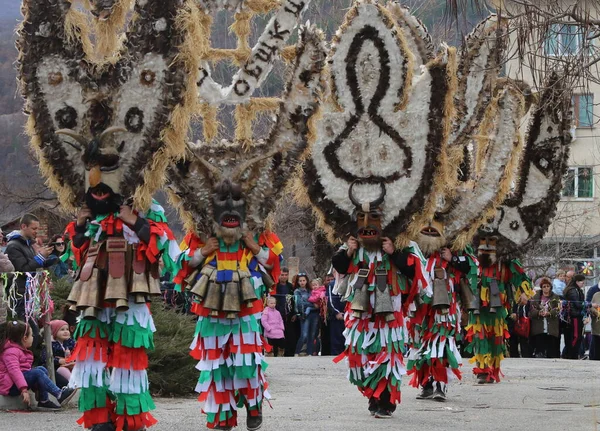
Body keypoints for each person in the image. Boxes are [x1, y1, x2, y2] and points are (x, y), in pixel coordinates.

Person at [464, 237, 534, 383]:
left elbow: (523, 278)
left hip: (498, 308)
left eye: (491, 248)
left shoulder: (506, 264)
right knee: (480, 336)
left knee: (496, 339)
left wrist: (523, 292)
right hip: (478, 307)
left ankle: (493, 370)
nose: (486, 251)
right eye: (483, 248)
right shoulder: (472, 261)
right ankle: (483, 371)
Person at [4, 214, 55, 347]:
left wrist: (50, 258)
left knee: (33, 333)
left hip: (29, 296)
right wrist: (40, 257)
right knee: (26, 334)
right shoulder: (14, 246)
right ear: (23, 226)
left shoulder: (27, 245)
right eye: (33, 228)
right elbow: (22, 269)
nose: (36, 231)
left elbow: (33, 264)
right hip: (19, 296)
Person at [0, 320, 75, 409]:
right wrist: (23, 389)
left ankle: (43, 400)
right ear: (24, 338)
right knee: (37, 373)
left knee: (41, 369)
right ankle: (59, 394)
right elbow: (14, 372)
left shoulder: (18, 350)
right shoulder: (11, 352)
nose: (33, 337)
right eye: (31, 335)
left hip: (17, 383)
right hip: (10, 386)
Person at [529, 278, 561, 358]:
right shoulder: (535, 297)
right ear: (541, 287)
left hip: (551, 325)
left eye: (548, 286)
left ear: (550, 287)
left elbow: (558, 309)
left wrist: (550, 313)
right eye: (544, 286)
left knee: (551, 347)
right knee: (540, 346)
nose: (546, 288)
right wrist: (539, 312)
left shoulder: (555, 297)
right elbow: (531, 310)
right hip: (539, 325)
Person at [40, 319, 76, 388]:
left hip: (69, 365)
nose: (65, 332)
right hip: (57, 368)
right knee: (62, 370)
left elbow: (76, 352)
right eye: (62, 330)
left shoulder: (70, 342)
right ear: (54, 332)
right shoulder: (50, 345)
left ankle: (78, 383)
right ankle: (72, 383)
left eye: (67, 329)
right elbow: (44, 358)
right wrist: (58, 360)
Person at [274, 267, 298, 357]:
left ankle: (289, 353)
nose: (284, 277)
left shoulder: (290, 286)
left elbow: (294, 300)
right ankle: (276, 352)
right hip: (277, 314)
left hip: (289, 314)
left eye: (286, 275)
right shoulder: (275, 286)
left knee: (290, 334)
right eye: (282, 275)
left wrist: (295, 313)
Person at [294, 273, 319, 356]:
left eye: (304, 280)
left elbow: (318, 301)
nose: (302, 282)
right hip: (304, 314)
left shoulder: (311, 290)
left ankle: (309, 352)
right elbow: (299, 303)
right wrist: (312, 304)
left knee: (312, 334)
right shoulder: (297, 291)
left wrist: (313, 304)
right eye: (300, 281)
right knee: (304, 334)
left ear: (306, 281)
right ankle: (297, 352)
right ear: (297, 282)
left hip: (314, 313)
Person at [562, 274, 586, 359]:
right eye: (581, 281)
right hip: (574, 316)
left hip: (576, 316)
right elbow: (578, 304)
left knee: (576, 336)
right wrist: (588, 305)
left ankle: (572, 353)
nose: (583, 283)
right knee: (576, 336)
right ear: (577, 282)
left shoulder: (576, 290)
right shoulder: (573, 291)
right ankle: (572, 354)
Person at [326, 273, 345, 356]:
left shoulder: (350, 282)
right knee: (336, 339)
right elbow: (330, 300)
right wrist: (336, 312)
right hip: (336, 316)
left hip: (348, 315)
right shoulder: (332, 284)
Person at [589, 291, 600, 360]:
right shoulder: (596, 295)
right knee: (596, 354)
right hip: (597, 329)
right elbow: (590, 307)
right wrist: (596, 312)